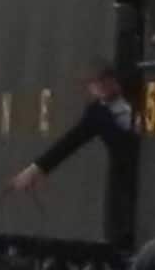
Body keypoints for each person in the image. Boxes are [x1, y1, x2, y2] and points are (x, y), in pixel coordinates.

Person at [9, 65, 140, 247]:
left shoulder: (139, 95)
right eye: (95, 85)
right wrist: (33, 171)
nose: (100, 89)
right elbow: (68, 144)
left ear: (113, 81)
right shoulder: (95, 114)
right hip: (130, 176)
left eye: (103, 82)